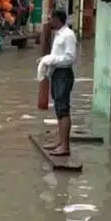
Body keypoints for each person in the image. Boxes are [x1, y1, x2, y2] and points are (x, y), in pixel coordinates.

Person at [38, 10, 77, 156]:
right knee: (58, 108)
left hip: (64, 74)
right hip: (56, 73)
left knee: (63, 109)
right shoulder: (58, 34)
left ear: (57, 19)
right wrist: (47, 59)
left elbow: (70, 58)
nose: (49, 21)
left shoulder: (68, 35)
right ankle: (60, 141)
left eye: (50, 19)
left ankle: (65, 147)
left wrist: (51, 60)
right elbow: (57, 55)